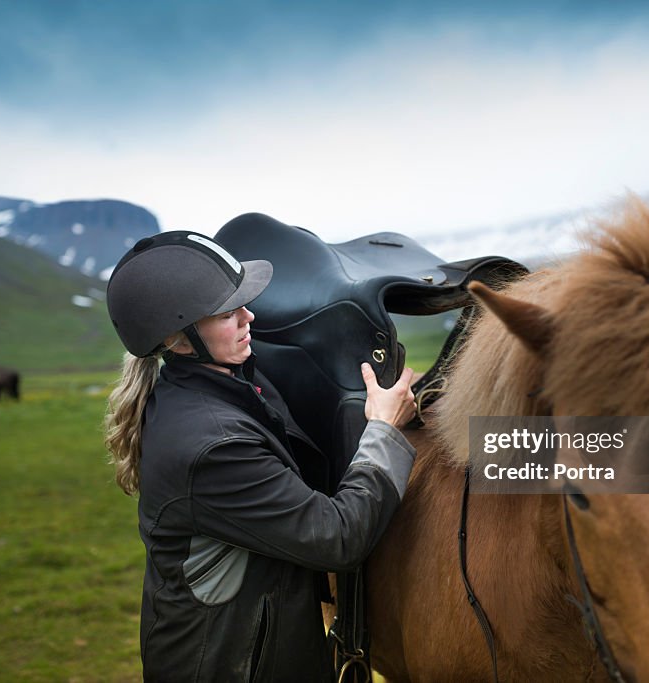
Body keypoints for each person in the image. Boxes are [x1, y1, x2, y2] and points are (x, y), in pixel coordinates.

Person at [103, 230, 416, 682]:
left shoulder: (226, 382)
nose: (249, 315)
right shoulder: (210, 449)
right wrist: (383, 429)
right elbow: (337, 537)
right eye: (228, 312)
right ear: (179, 340)